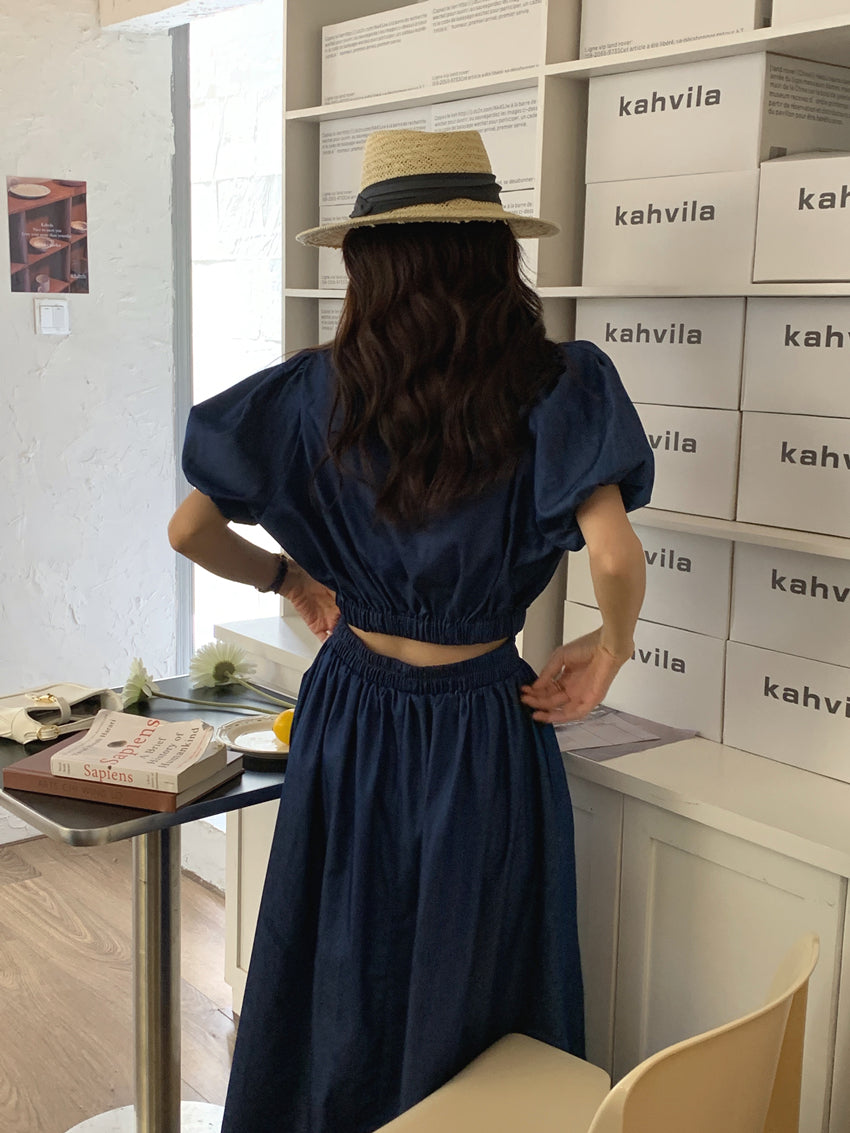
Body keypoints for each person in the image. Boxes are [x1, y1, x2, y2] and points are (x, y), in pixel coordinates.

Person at [168, 129, 653, 1133]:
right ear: (496, 254)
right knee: (472, 965)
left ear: (364, 263)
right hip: (480, 715)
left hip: (350, 704)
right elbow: (612, 555)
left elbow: (189, 528)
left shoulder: (310, 391)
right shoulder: (558, 384)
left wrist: (287, 576)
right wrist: (609, 648)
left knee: (336, 950)